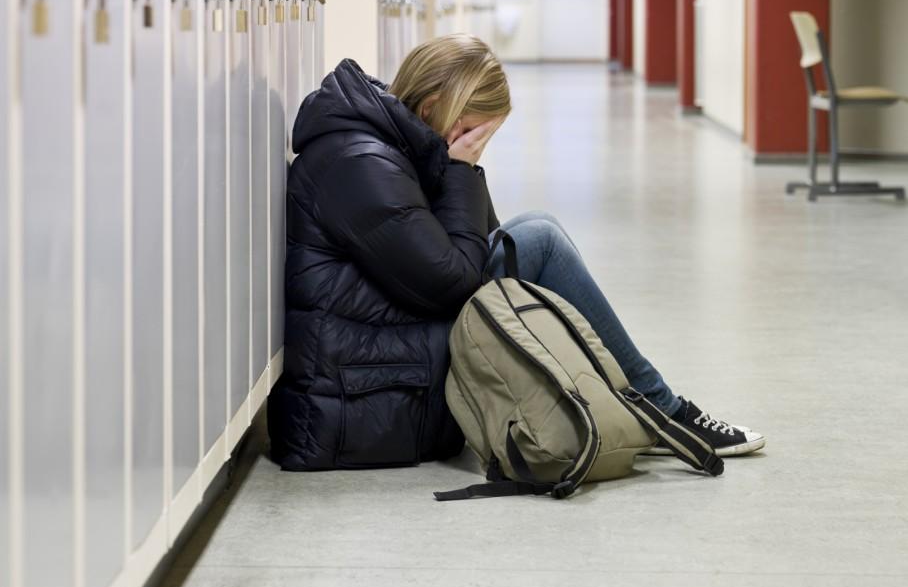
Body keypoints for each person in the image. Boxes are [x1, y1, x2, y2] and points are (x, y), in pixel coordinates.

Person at [267, 35, 765, 472]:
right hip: (358, 383)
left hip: (382, 344)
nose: (479, 147)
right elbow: (457, 281)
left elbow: (482, 238)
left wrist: (452, 168)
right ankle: (661, 410)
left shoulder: (386, 145)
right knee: (538, 240)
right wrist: (459, 171)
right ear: (432, 109)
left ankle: (641, 404)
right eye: (477, 133)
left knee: (534, 228)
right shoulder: (362, 165)